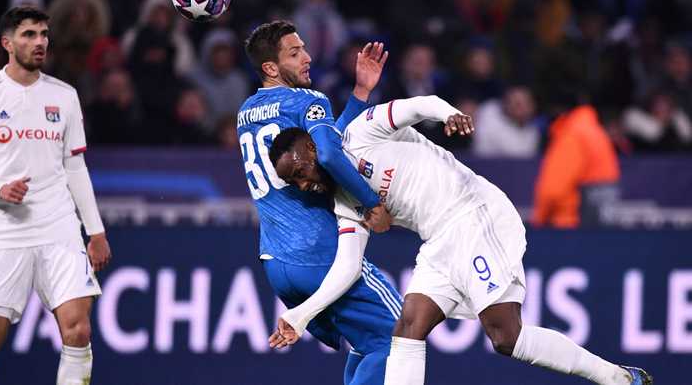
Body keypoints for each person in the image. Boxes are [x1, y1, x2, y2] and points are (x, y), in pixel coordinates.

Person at [267, 96, 652, 385]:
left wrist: (448, 113)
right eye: (295, 182)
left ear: (314, 148)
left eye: (302, 170)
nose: (305, 183)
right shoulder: (344, 202)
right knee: (407, 328)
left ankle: (615, 378)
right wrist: (299, 318)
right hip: (439, 241)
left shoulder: (362, 132)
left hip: (473, 212)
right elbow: (347, 268)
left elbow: (419, 105)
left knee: (505, 337)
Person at [0, 6, 111, 385]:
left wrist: (96, 231)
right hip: (4, 233)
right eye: (28, 35)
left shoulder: (65, 96)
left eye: (43, 34)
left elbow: (75, 168)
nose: (39, 42)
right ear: (7, 43)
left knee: (79, 332)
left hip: (58, 229)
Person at [238, 20, 398, 384]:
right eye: (295, 53)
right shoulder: (307, 100)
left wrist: (359, 94)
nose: (308, 57)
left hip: (277, 264)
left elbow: (325, 146)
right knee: (398, 336)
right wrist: (371, 203)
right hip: (320, 253)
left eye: (304, 48)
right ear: (271, 68)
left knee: (368, 343)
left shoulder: (246, 112)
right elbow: (326, 154)